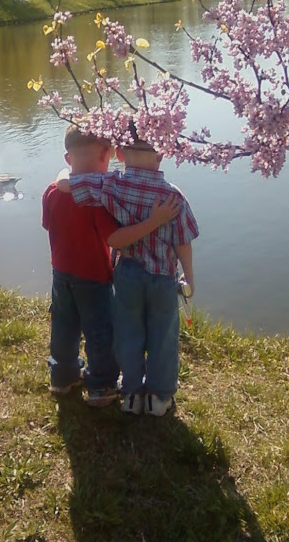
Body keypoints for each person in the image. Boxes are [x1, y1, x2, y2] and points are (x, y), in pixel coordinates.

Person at [58, 133, 199, 416]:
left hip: (127, 275)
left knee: (128, 333)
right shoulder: (173, 196)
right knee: (163, 336)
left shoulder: (110, 184)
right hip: (162, 277)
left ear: (119, 155)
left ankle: (132, 394)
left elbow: (64, 185)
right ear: (161, 156)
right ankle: (159, 398)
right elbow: (183, 240)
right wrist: (189, 277)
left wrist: (66, 169)